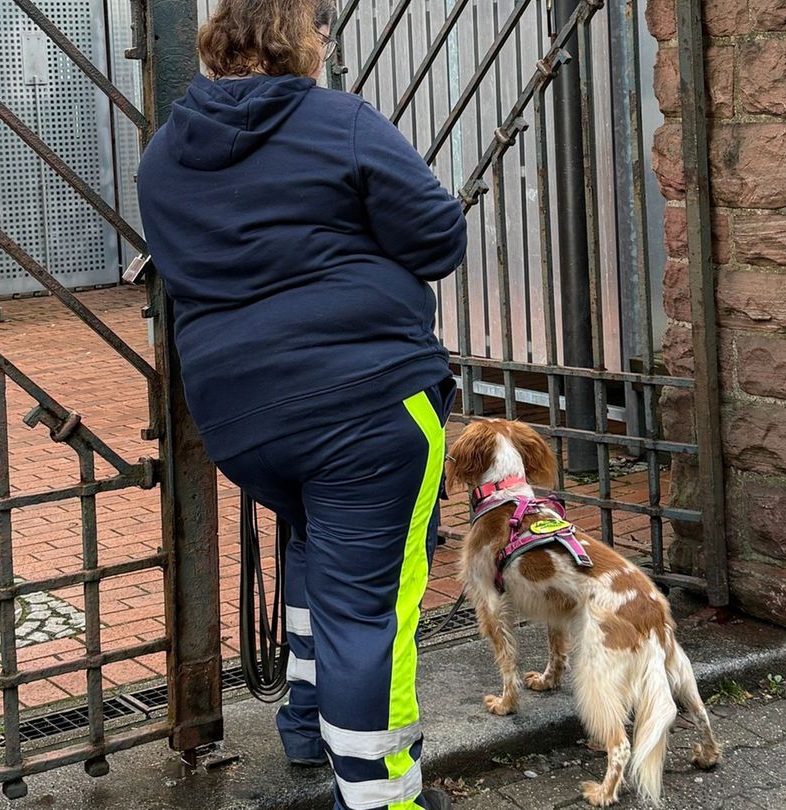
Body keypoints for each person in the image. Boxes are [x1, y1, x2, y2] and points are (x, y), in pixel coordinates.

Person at [135, 0, 467, 807]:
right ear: (302, 42)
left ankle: (308, 721)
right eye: (321, 28)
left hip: (242, 419)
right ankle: (384, 798)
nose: (326, 40)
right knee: (370, 609)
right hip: (367, 404)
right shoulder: (339, 121)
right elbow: (438, 240)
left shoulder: (163, 154)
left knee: (319, 550)